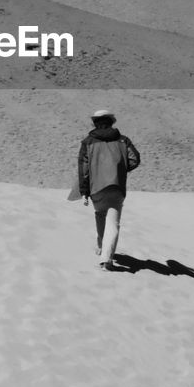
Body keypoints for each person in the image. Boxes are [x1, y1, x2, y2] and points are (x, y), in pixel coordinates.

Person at [78, 109, 140, 269]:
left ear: (95, 123)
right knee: (113, 222)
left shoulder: (88, 142)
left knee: (100, 214)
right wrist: (120, 169)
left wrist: (84, 191)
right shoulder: (123, 140)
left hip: (96, 187)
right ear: (112, 122)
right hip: (116, 186)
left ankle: (101, 247)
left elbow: (83, 169)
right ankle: (106, 259)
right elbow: (135, 159)